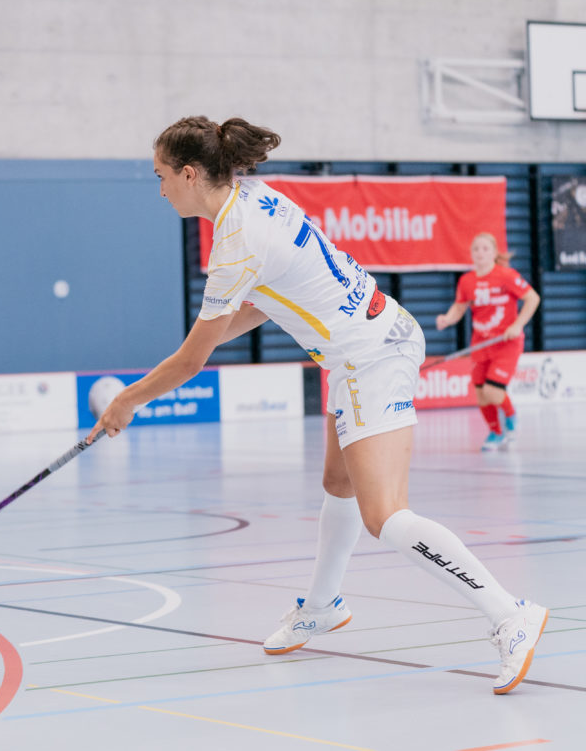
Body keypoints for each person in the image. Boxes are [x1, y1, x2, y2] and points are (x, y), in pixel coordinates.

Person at [90, 116, 548, 695]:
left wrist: (127, 401)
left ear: (188, 174)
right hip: (361, 345)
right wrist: (202, 339)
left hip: (369, 356)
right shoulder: (254, 197)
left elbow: (190, 362)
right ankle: (324, 604)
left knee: (386, 517)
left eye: (160, 176)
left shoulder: (234, 244)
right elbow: (268, 301)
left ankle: (509, 614)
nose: (159, 189)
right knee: (339, 483)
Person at [435, 233, 540, 451]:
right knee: (481, 395)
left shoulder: (506, 276)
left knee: (493, 391)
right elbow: (459, 307)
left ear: (494, 253)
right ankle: (496, 432)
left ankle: (511, 415)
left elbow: (533, 298)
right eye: (476, 249)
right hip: (480, 344)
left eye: (485, 249)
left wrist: (518, 325)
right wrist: (447, 318)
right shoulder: (466, 281)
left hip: (506, 344)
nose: (480, 253)